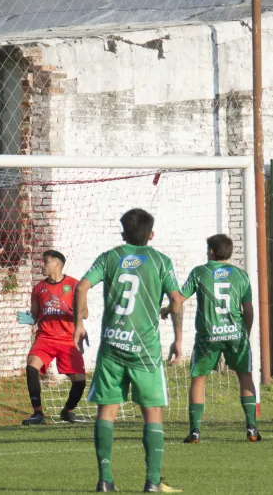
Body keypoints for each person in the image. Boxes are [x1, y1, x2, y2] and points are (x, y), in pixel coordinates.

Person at [73, 208, 184, 493]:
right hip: (144, 350)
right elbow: (176, 299)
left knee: (107, 412)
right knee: (152, 413)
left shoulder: (110, 257)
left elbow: (81, 287)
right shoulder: (160, 261)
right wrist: (177, 338)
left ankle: (105, 480)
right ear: (151, 234)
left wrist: (78, 324)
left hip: (112, 346)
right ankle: (153, 481)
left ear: (123, 233)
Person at [173, 234, 260, 444]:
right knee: (245, 376)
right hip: (236, 334)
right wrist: (245, 335)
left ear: (211, 251)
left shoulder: (200, 272)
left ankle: (195, 431)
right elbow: (249, 311)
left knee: (198, 378)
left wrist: (168, 310)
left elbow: (179, 299)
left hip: (208, 336)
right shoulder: (241, 275)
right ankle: (251, 428)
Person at [17, 250, 88, 425]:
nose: (42, 265)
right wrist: (30, 318)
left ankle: (67, 411)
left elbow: (85, 314)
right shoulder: (38, 288)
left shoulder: (74, 285)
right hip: (45, 337)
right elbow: (35, 315)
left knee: (80, 381)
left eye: (45, 261)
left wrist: (66, 309)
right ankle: (37, 413)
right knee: (31, 367)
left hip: (68, 339)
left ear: (57, 263)